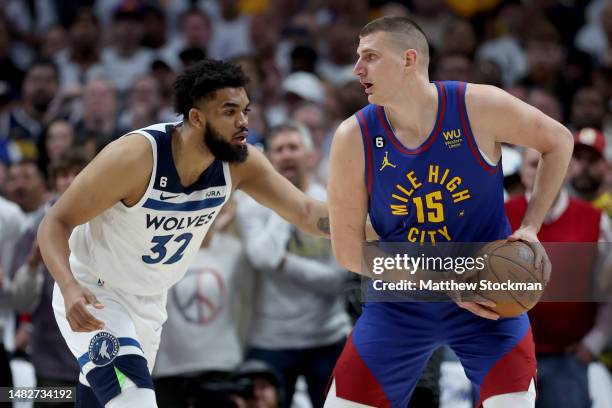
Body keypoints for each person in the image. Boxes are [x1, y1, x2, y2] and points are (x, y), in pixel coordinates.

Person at [37, 58, 330, 408]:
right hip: (97, 295)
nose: (244, 123)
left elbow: (307, 213)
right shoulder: (136, 156)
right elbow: (54, 222)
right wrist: (69, 287)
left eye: (246, 111)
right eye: (230, 111)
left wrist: (377, 227)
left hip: (149, 302)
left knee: (99, 400)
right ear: (196, 118)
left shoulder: (241, 163)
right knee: (135, 400)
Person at [326, 16, 572, 408]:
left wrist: (530, 226)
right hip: (399, 302)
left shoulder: (478, 106)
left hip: (489, 297)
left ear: (409, 60)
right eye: (358, 58)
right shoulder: (352, 137)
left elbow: (558, 140)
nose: (357, 69)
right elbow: (349, 252)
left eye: (370, 57)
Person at [236, 122, 350, 408]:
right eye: (279, 149)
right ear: (269, 158)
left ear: (310, 156)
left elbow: (336, 280)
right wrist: (284, 204)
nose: (286, 155)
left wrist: (284, 262)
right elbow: (262, 257)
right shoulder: (251, 204)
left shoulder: (331, 203)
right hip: (270, 339)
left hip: (328, 336)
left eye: (294, 148)